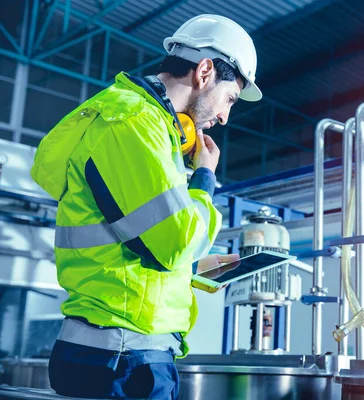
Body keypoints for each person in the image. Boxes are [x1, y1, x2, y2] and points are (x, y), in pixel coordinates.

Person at [30, 14, 261, 399]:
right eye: (229, 98)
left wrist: (192, 268)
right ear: (205, 71)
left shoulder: (151, 132)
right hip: (121, 358)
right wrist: (204, 178)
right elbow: (174, 243)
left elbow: (136, 246)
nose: (224, 116)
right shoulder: (134, 123)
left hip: (122, 352)